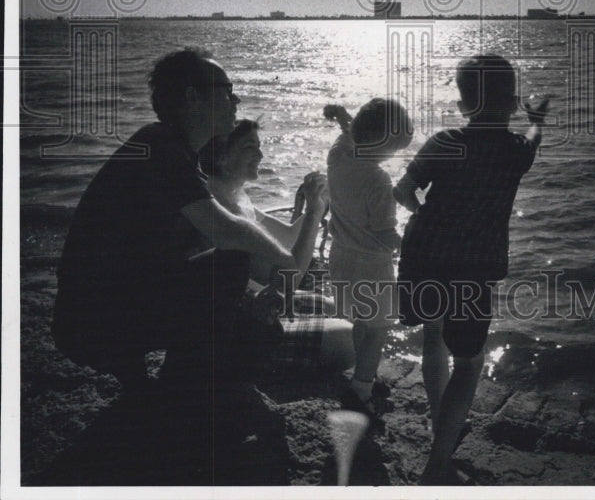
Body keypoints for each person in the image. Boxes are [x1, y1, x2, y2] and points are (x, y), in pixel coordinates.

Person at [52, 47, 329, 389]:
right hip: (89, 324)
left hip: (98, 313)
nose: (236, 99)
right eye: (226, 91)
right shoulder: (159, 146)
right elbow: (226, 231)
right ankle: (180, 391)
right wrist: (284, 261)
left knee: (245, 307)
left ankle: (144, 386)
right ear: (193, 97)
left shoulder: (174, 153)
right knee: (231, 266)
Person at [394, 54, 550, 485]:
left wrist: (425, 214)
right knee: (468, 361)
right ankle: (438, 462)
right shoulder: (514, 150)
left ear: (463, 104)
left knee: (432, 336)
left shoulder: (445, 141)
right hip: (472, 268)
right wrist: (537, 119)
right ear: (513, 101)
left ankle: (436, 419)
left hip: (425, 255)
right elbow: (533, 140)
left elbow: (402, 190)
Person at [200, 119, 354, 370]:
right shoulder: (220, 207)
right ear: (222, 158)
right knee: (349, 339)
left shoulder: (231, 194)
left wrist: (320, 200)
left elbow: (288, 235)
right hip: (241, 326)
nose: (261, 154)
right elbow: (288, 280)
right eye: (251, 147)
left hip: (256, 303)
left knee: (334, 306)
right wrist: (314, 214)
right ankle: (261, 370)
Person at [324, 99, 413, 418]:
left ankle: (363, 375)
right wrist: (415, 241)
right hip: (371, 266)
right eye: (393, 149)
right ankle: (361, 391)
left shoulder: (338, 155)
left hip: (341, 257)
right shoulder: (379, 180)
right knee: (377, 328)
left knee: (360, 321)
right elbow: (385, 231)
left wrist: (341, 117)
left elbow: (350, 133)